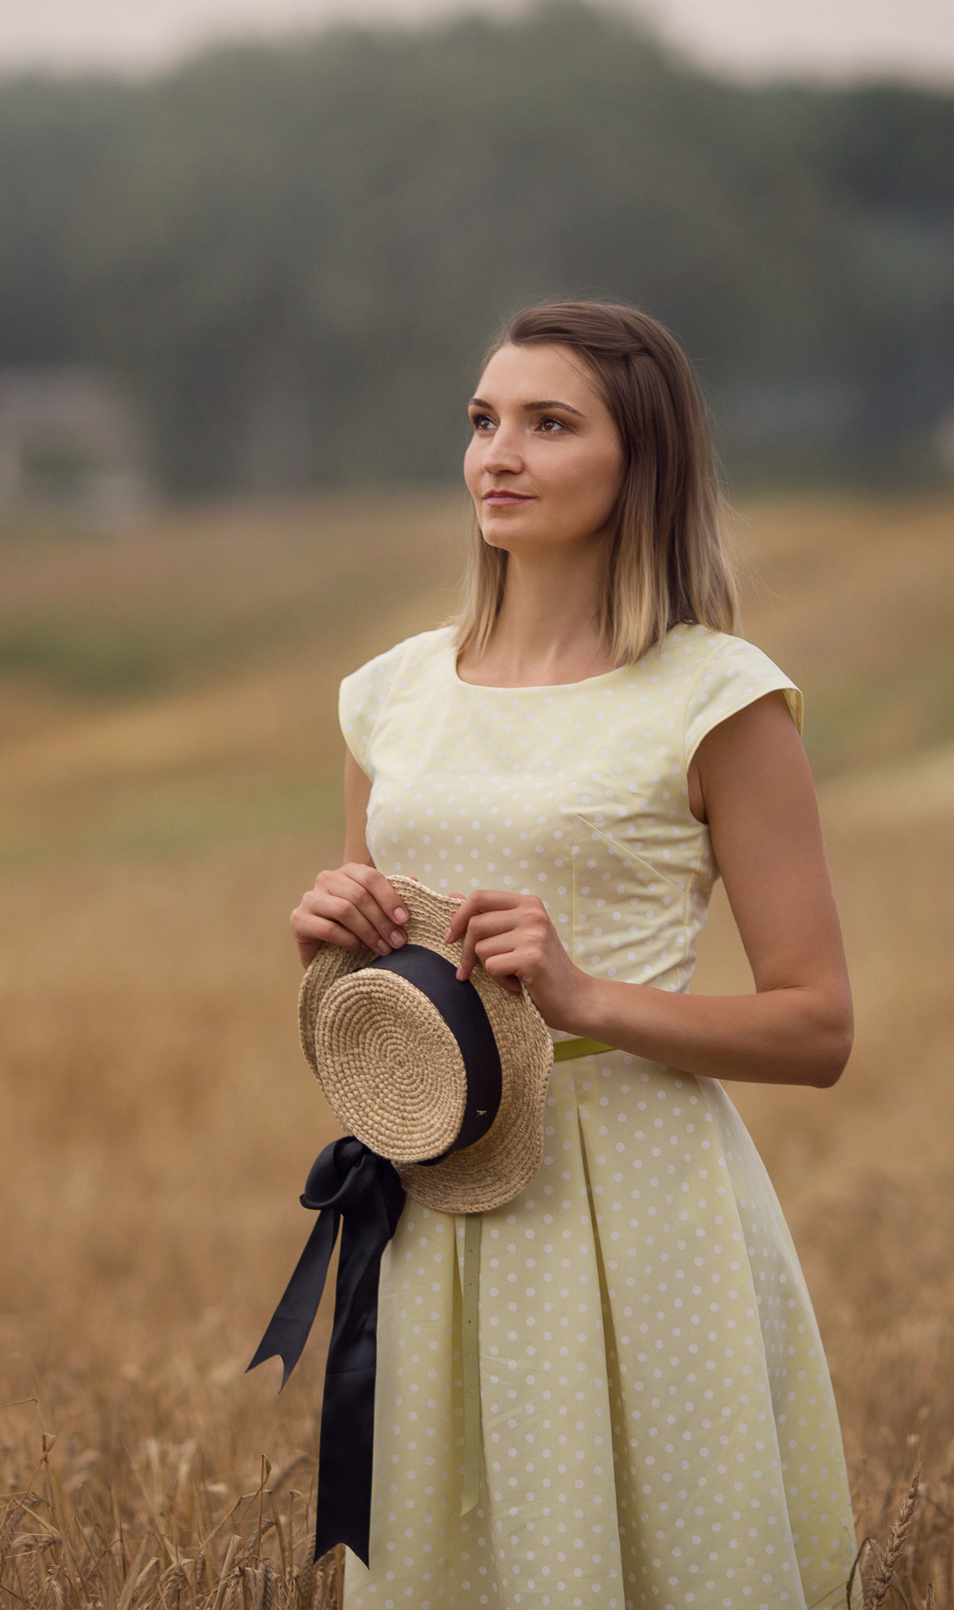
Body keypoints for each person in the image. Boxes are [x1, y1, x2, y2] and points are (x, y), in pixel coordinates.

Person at [290, 300, 858, 1608]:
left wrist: (585, 994)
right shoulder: (389, 697)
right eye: (485, 421)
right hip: (439, 1191)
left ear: (640, 463)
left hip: (638, 1210)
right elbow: (387, 986)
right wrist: (332, 939)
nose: (502, 453)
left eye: (551, 424)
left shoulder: (719, 699)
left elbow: (818, 1028)